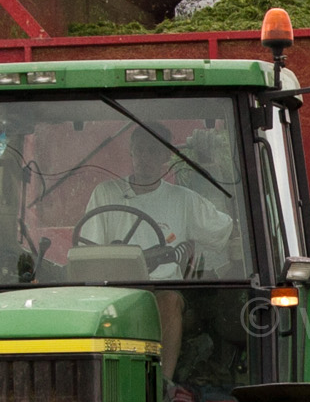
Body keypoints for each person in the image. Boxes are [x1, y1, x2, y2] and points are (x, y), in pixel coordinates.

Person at [77, 125, 246, 377]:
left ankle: (163, 384)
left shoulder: (184, 200)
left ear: (165, 156)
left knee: (169, 299)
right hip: (111, 289)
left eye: (153, 152)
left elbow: (226, 232)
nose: (145, 158)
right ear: (131, 153)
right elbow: (87, 251)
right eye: (140, 151)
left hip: (163, 291)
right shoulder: (105, 194)